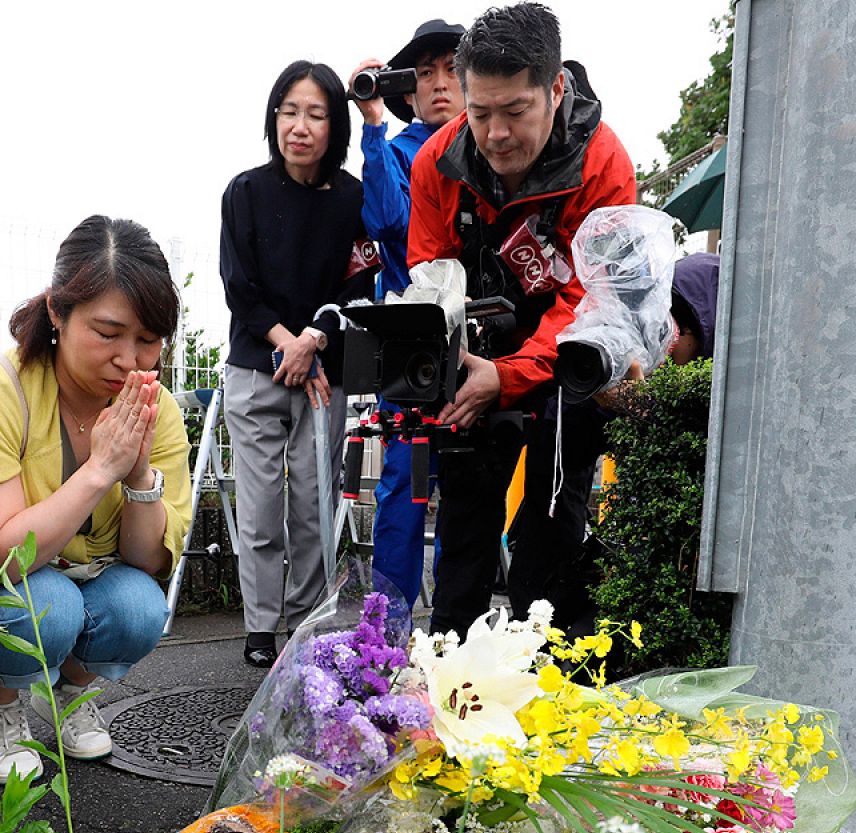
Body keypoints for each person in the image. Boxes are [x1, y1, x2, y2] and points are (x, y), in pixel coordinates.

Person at [0, 215, 191, 785]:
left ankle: (69, 693)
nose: (130, 359)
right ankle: (1, 706)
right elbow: (4, 555)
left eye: (148, 339)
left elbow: (146, 563)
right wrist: (100, 470)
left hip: (82, 576)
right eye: (108, 332)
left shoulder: (156, 407)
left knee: (142, 607)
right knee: (47, 604)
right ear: (56, 313)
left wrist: (138, 470)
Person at [404, 2, 637, 639]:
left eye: (515, 112)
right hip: (477, 355)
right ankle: (450, 679)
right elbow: (430, 277)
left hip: (569, 362)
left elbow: (593, 299)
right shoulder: (436, 163)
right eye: (480, 113)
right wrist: (458, 366)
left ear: (556, 88)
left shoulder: (603, 164)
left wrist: (508, 377)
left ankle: (555, 687)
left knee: (548, 539)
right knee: (462, 532)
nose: (496, 133)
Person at [221, 60, 377, 667]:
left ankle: (307, 624)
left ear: (334, 123)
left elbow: (361, 282)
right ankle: (260, 629)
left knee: (314, 505)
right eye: (289, 111)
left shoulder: (352, 198)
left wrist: (313, 337)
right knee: (260, 510)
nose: (300, 126)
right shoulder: (245, 192)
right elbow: (240, 286)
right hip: (258, 369)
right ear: (274, 118)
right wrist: (288, 341)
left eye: (315, 113)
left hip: (321, 375)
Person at [507, 252, 720, 633]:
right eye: (658, 328)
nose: (664, 345)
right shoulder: (625, 344)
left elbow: (669, 507)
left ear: (708, 339)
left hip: (667, 584)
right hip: (565, 540)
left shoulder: (707, 404)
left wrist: (648, 413)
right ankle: (535, 635)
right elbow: (561, 469)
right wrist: (598, 400)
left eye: (676, 332)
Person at [348, 18, 468, 609]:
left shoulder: (496, 152)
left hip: (479, 346)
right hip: (411, 348)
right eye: (425, 73)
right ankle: (387, 634)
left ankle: (454, 630)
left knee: (471, 489)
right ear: (408, 91)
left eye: (452, 68)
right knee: (405, 485)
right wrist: (372, 125)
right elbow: (388, 222)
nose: (440, 83)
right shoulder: (394, 150)